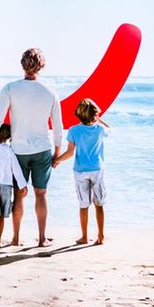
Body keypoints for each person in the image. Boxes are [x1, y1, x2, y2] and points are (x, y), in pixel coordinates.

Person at [0, 48, 66, 247]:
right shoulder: (50, 92)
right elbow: (58, 126)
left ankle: (15, 239)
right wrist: (57, 151)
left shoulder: (10, 88)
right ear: (41, 66)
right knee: (41, 194)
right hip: (42, 149)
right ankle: (42, 239)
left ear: (22, 64)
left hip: (18, 150)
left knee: (19, 193)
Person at [53, 98, 110, 245]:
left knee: (83, 205)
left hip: (80, 171)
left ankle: (84, 237)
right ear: (95, 114)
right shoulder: (100, 129)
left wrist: (57, 160)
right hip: (97, 169)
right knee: (99, 204)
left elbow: (70, 153)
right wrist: (99, 119)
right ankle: (101, 236)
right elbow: (109, 128)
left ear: (79, 114)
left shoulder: (74, 130)